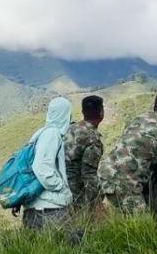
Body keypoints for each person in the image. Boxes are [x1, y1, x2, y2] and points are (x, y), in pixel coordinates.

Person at [22, 96, 74, 230]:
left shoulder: (40, 134)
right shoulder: (52, 134)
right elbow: (41, 167)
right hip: (50, 209)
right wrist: (61, 187)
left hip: (35, 208)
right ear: (65, 115)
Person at [64, 95, 104, 212]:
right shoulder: (92, 139)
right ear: (101, 113)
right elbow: (89, 175)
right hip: (75, 195)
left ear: (82, 111)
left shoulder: (70, 128)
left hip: (58, 188)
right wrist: (95, 204)